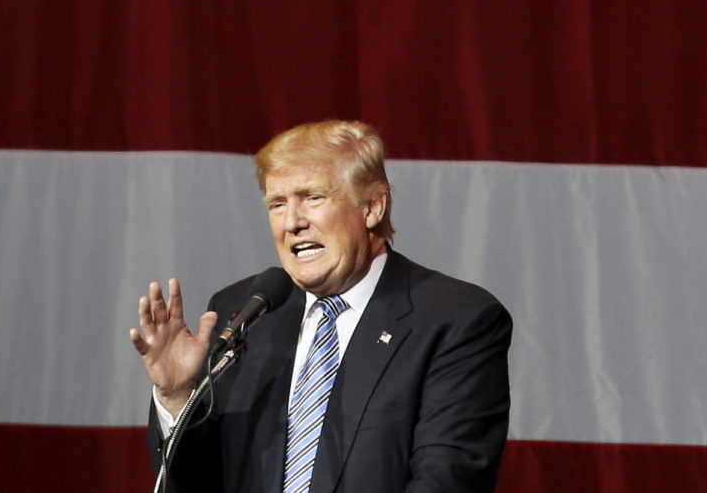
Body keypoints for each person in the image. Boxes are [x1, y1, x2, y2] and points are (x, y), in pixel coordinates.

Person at [130, 120, 512, 492]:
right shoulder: (246, 313)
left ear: (373, 207)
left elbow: (448, 478)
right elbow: (195, 483)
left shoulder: (455, 320)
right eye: (277, 204)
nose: (293, 222)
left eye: (313, 197)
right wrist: (179, 397)